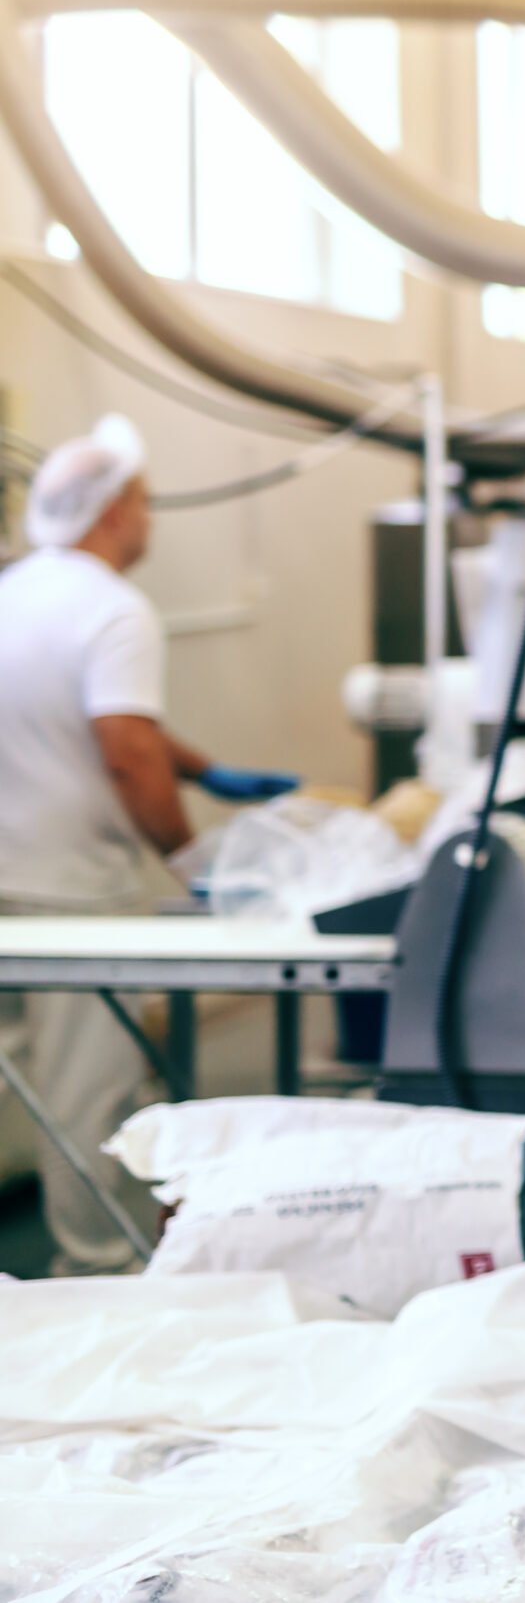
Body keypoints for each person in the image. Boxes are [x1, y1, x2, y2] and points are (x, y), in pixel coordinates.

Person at [0, 416, 299, 1273]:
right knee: (84, 1095)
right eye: (144, 501)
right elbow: (124, 749)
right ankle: (95, 1266)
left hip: (9, 878)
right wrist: (192, 861)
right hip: (75, 892)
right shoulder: (114, 608)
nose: (151, 519)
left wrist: (206, 768)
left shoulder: (15, 589)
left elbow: (81, 718)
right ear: (113, 511)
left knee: (19, 1079)